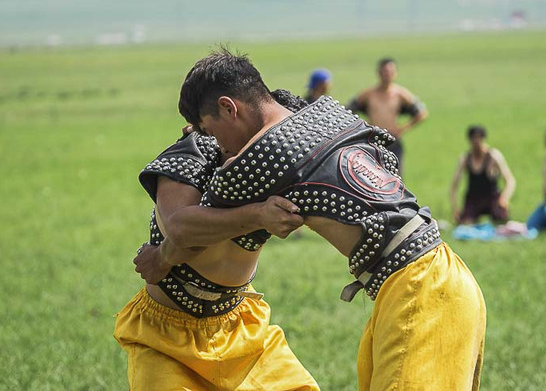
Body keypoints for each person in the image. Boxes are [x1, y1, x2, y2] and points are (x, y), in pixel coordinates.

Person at [172, 49, 486, 390]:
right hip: (445, 272)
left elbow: (183, 228)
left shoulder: (262, 155)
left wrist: (159, 260)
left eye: (211, 131)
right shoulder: (328, 113)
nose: (218, 146)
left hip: (420, 294)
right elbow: (384, 154)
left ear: (228, 108)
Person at [114, 90, 319, 391]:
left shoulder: (280, 175)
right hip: (166, 338)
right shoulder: (194, 154)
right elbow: (183, 231)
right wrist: (260, 215)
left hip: (241, 333)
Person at [348, 57, 428, 174]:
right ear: (378, 73)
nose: (387, 75)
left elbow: (422, 113)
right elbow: (348, 109)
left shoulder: (401, 94)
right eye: (385, 72)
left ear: (395, 73)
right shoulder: (368, 94)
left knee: (395, 178)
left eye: (391, 72)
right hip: (373, 141)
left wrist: (403, 128)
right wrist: (362, 127)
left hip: (392, 140)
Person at [450, 125, 516, 226]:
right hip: (473, 198)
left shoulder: (494, 156)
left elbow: (510, 181)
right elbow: (454, 185)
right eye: (474, 138)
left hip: (491, 197)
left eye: (479, 138)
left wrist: (504, 198)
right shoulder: (465, 159)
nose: (476, 141)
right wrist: (455, 207)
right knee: (466, 223)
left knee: (500, 223)